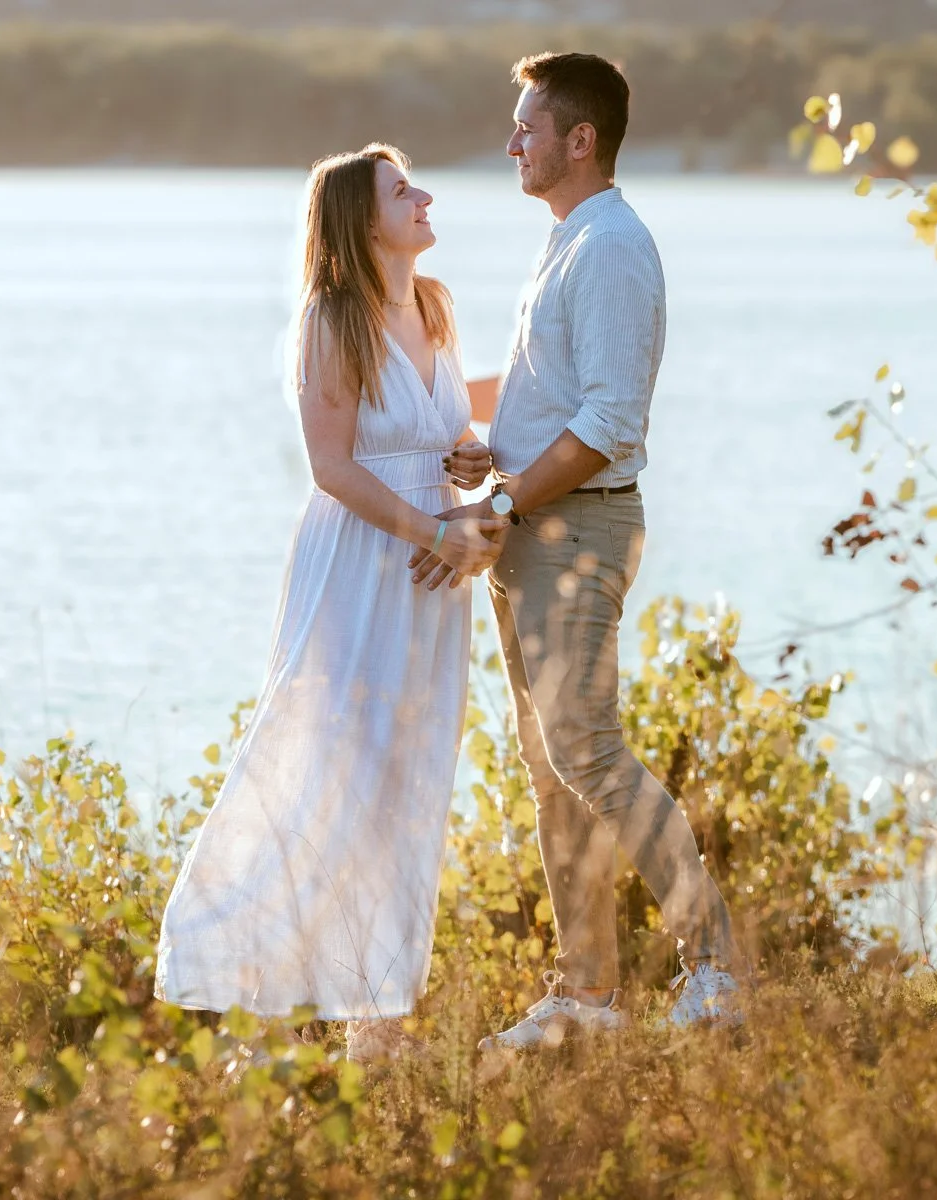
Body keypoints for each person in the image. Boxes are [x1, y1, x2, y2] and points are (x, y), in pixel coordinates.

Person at [409, 52, 743, 1050]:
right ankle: (586, 996)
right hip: (533, 527)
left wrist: (504, 496)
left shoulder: (609, 248)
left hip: (576, 527)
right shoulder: (565, 242)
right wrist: (477, 439)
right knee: (551, 768)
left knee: (588, 750)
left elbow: (608, 421)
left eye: (527, 127)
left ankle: (718, 969)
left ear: (579, 139)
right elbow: (544, 390)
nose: (513, 142)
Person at [154, 144, 507, 1063]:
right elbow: (334, 465)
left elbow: (446, 426)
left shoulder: (434, 305)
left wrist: (471, 461)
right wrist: (434, 533)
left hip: (438, 571)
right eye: (403, 191)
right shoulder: (329, 320)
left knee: (410, 775)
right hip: (365, 560)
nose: (425, 198)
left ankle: (378, 1019)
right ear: (363, 220)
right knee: (320, 764)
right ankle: (236, 982)